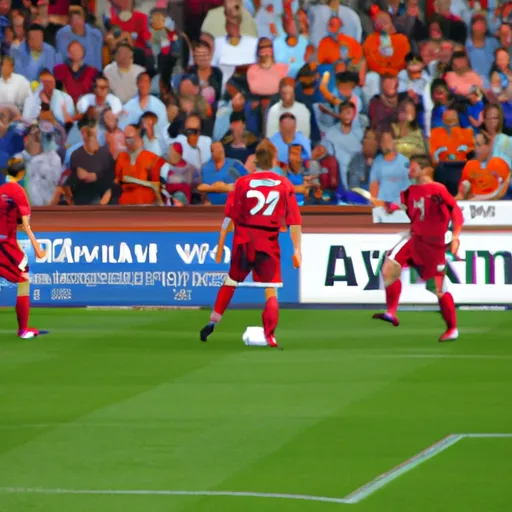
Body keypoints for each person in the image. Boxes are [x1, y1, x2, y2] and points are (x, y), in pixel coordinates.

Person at [200, 139, 302, 349]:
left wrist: (220, 246)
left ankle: (212, 321)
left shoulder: (242, 184)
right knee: (270, 290)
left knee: (231, 281)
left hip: (244, 241)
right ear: (274, 160)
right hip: (268, 242)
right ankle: (270, 336)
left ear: (255, 161)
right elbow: (295, 222)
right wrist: (297, 250)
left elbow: (230, 218)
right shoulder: (284, 185)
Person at [373, 154, 463, 342]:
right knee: (390, 265)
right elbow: (408, 207)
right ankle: (391, 312)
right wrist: (392, 207)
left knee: (438, 289)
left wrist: (455, 236)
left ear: (425, 169)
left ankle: (452, 328)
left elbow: (455, 211)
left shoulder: (438, 189)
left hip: (434, 245)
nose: (409, 171)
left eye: (412, 167)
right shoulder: (410, 191)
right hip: (415, 239)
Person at [0, 179, 48, 339]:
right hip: (3, 244)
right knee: (23, 278)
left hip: (6, 242)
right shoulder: (16, 193)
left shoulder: (6, 193)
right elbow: (26, 226)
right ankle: (23, 330)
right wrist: (38, 249)